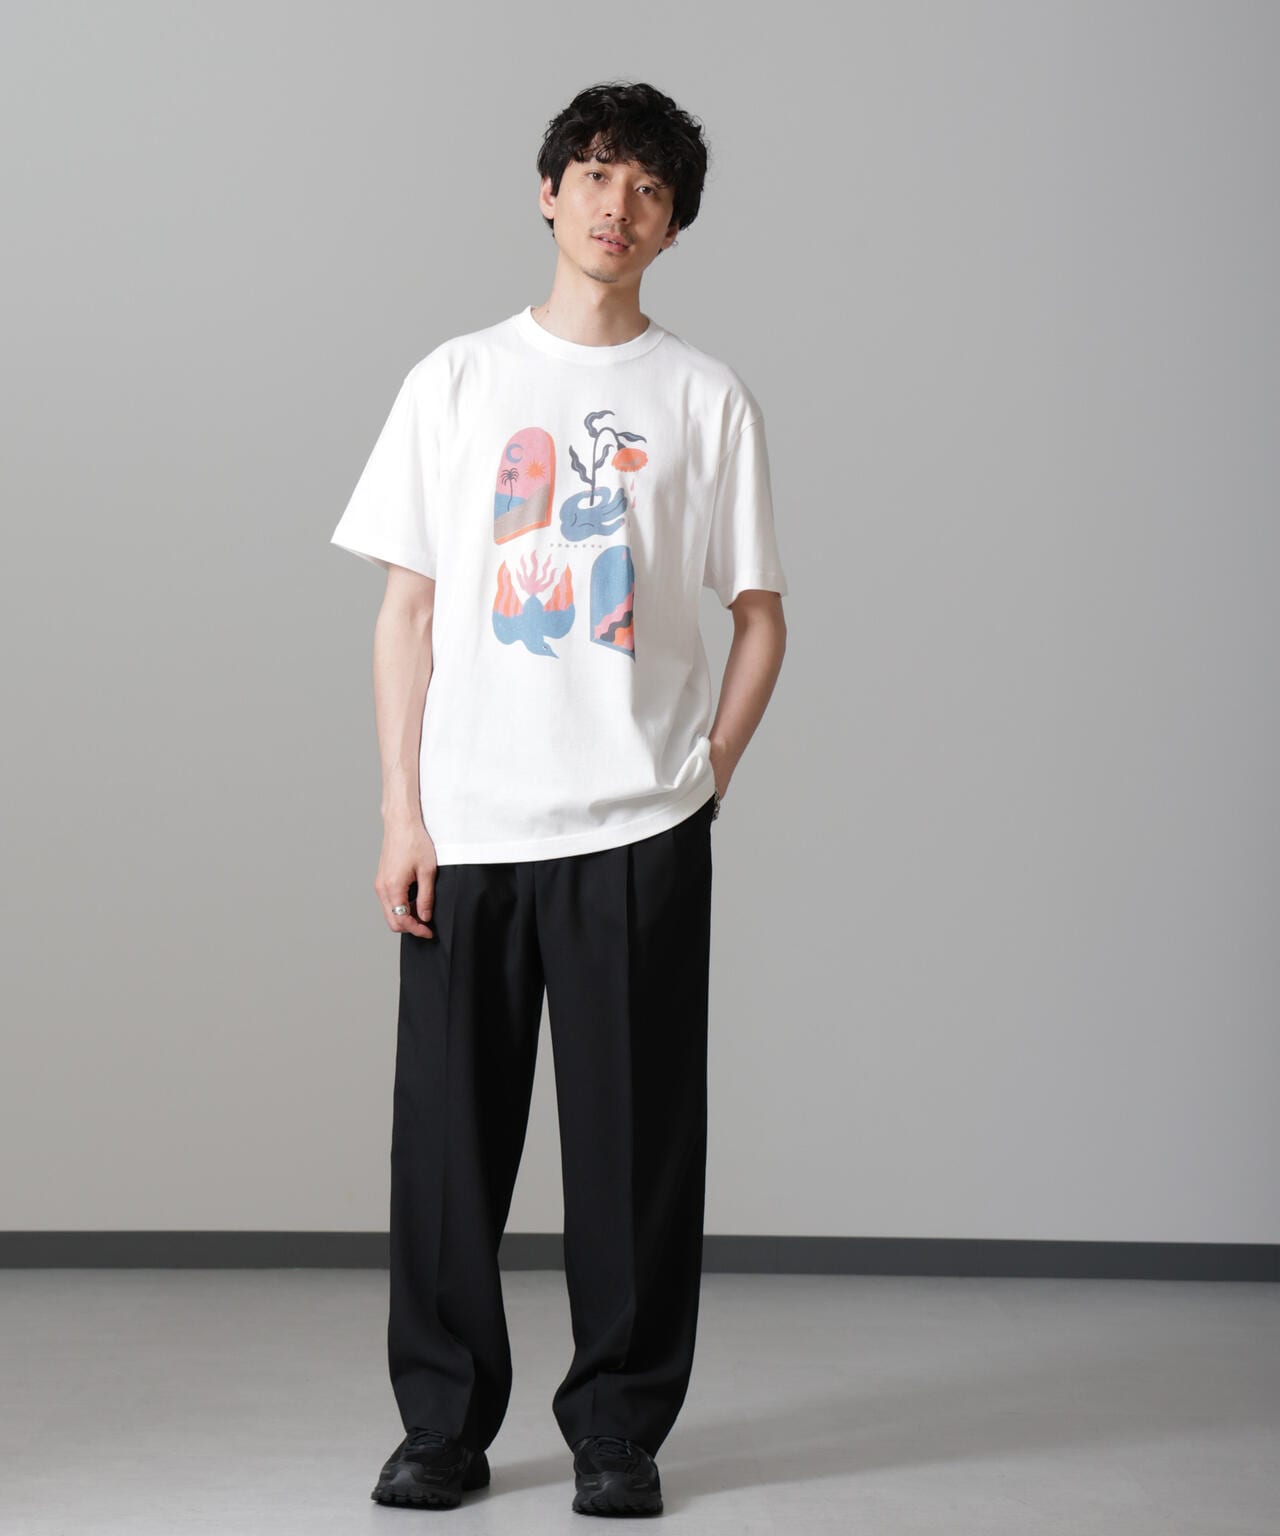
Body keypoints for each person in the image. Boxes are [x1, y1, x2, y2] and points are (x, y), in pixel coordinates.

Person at [329, 79, 787, 1517]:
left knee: (635, 1149)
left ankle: (618, 1431)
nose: (616, 207)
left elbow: (761, 617)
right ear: (547, 193)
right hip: (468, 826)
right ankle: (442, 1426)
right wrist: (402, 814)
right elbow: (407, 613)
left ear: (674, 224)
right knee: (447, 1148)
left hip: (638, 827)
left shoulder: (704, 398)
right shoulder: (456, 382)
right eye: (594, 174)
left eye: (648, 188)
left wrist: (704, 774)